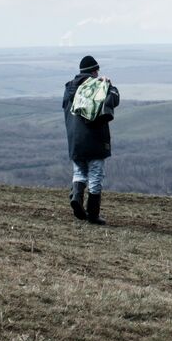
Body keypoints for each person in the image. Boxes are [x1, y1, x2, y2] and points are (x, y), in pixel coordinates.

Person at [62, 55, 120, 224]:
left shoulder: (69, 88)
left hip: (75, 140)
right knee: (95, 175)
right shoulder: (98, 85)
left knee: (79, 172)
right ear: (94, 71)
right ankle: (93, 214)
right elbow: (113, 99)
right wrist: (108, 84)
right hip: (94, 140)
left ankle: (77, 199)